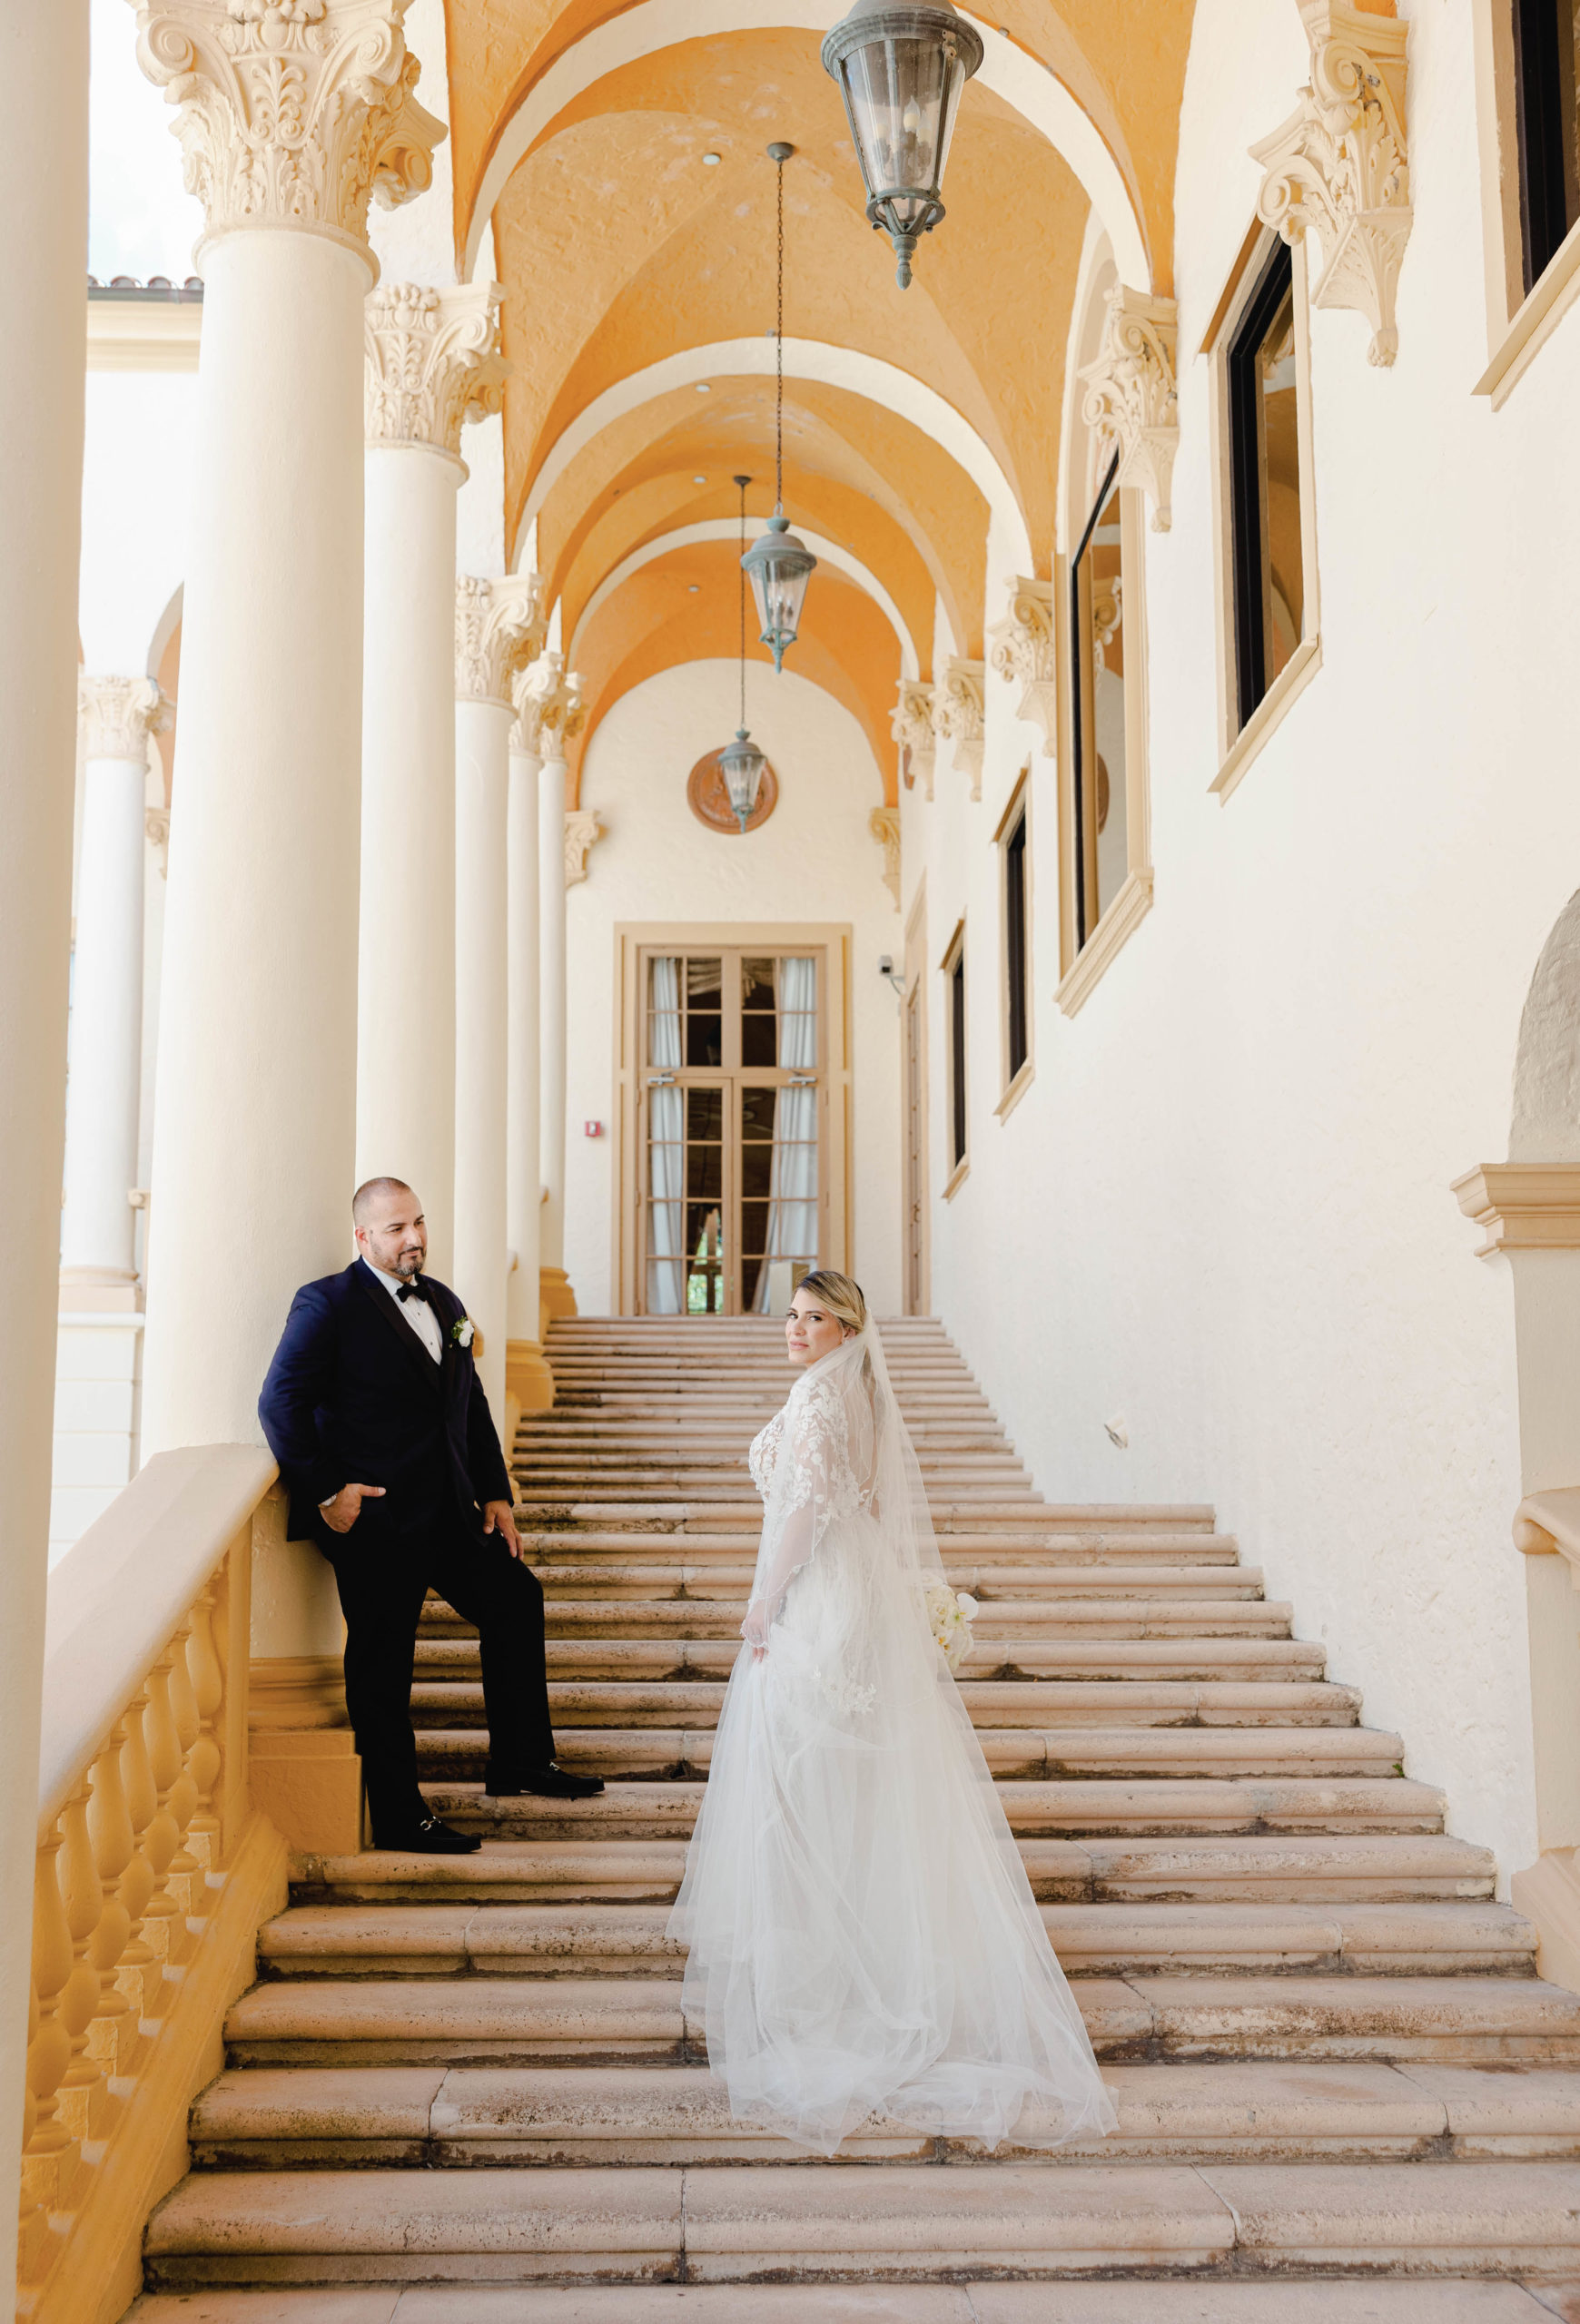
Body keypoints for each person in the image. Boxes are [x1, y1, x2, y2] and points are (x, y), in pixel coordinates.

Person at [669, 1269, 1115, 2153]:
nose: (795, 1329)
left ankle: (825, 1981)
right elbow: (863, 1505)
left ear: (846, 1327)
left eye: (814, 1318)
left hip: (824, 1601)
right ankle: (860, 1963)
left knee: (796, 1783)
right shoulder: (859, 1391)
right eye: (792, 1315)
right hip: (860, 1595)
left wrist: (766, 1599)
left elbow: (802, 1512)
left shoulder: (821, 1396)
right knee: (847, 1790)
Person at [258, 1176, 604, 1854]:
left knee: (515, 1598)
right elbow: (280, 1403)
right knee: (384, 1667)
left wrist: (496, 1494)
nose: (413, 1237)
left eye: (417, 1223)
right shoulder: (326, 1304)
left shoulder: (444, 1301)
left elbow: (468, 1406)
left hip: (450, 1511)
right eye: (395, 1229)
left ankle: (521, 1761)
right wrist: (331, 1491)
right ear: (363, 1237)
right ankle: (398, 1816)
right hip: (376, 1523)